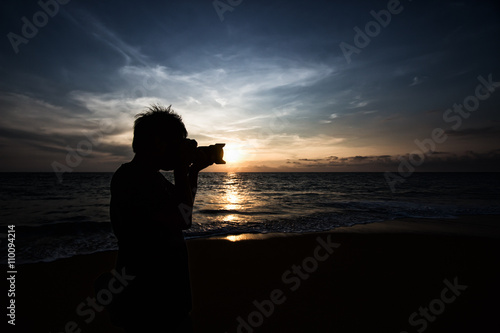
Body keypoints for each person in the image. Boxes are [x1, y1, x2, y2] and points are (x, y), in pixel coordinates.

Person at [107, 104, 213, 332]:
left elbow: (185, 208)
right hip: (149, 301)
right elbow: (183, 220)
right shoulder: (130, 178)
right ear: (157, 142)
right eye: (176, 143)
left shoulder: (153, 178)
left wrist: (191, 172)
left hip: (170, 296)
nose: (179, 149)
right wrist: (180, 168)